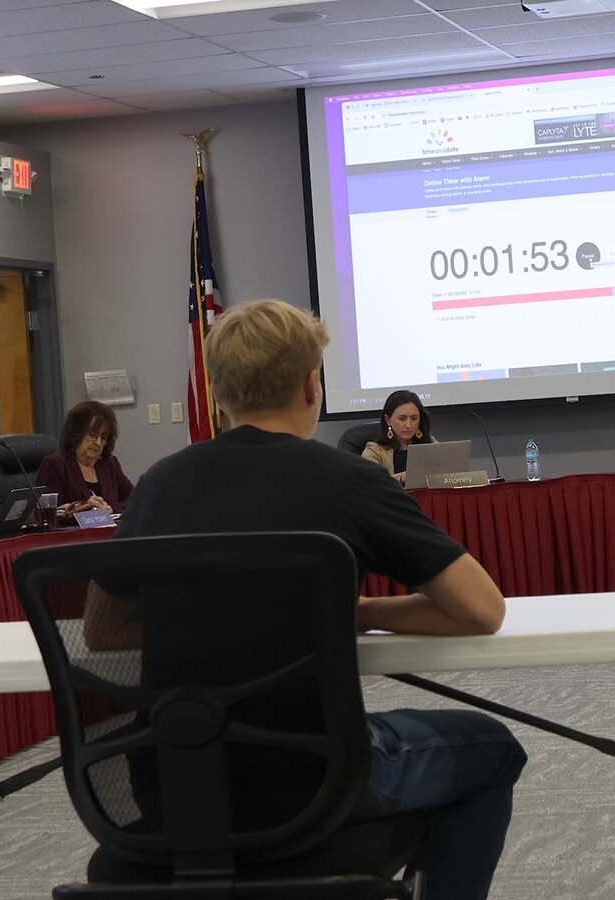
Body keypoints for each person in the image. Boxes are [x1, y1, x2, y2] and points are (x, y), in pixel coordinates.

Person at [84, 300, 524, 900]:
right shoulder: (350, 483)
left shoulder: (160, 483)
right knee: (492, 750)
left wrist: (222, 624)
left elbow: (102, 631)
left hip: (173, 779)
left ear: (218, 392)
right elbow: (482, 609)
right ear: (312, 384)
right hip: (314, 781)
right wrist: (357, 614)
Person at [35, 400, 134, 514]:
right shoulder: (55, 464)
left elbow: (133, 499)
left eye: (103, 437)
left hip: (109, 530)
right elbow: (45, 514)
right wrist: (84, 508)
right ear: (76, 433)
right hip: (75, 531)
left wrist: (111, 509)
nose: (98, 442)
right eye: (92, 435)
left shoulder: (109, 464)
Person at [360, 389, 435, 484]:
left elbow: (445, 474)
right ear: (388, 420)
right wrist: (402, 477)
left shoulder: (430, 443)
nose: (408, 425)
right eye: (402, 419)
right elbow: (367, 482)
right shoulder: (374, 451)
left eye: (414, 418)